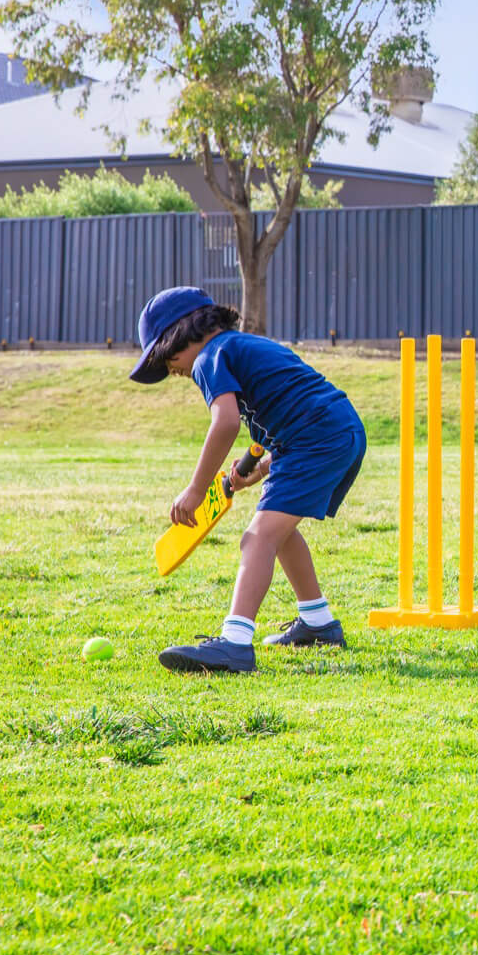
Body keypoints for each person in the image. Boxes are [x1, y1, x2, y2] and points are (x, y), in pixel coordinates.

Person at [131, 287, 364, 673]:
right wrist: (260, 465)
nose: (171, 370)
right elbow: (291, 405)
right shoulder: (244, 346)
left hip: (317, 438)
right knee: (280, 531)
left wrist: (197, 489)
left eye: (164, 356)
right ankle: (318, 623)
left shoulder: (209, 356)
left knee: (257, 537)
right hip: (337, 430)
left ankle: (235, 643)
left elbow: (225, 423)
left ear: (181, 333)